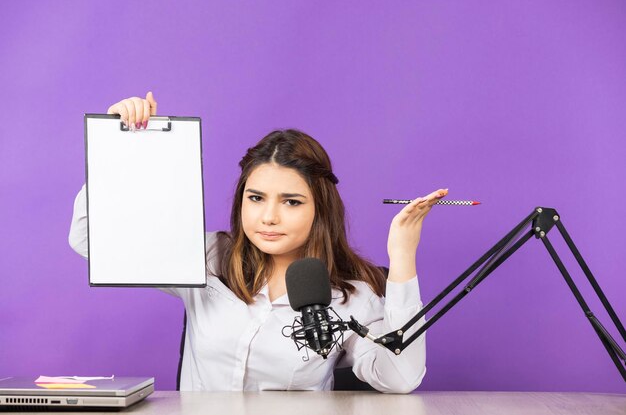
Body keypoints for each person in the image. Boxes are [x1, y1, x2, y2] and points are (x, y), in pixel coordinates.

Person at [68, 91, 449, 393]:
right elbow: (91, 241)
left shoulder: (351, 296)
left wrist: (402, 256)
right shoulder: (208, 258)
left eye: (291, 202)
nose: (268, 217)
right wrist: (119, 147)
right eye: (256, 198)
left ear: (320, 209)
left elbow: (399, 377)